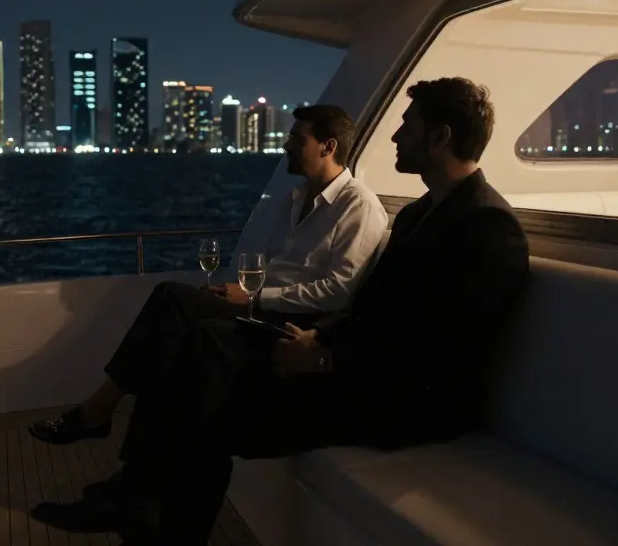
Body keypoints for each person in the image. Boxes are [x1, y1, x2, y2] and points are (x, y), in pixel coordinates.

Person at [30, 77, 531, 544]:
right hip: (356, 366)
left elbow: (441, 351)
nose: (396, 134)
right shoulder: (422, 212)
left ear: (440, 136)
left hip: (406, 404)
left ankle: (132, 498)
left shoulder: (487, 228)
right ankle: (137, 502)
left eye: (409, 124)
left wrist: (325, 356)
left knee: (208, 395)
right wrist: (323, 343)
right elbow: (372, 310)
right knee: (202, 360)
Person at [29, 104, 387, 446]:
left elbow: (338, 292)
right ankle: (130, 469)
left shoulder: (359, 206)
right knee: (173, 335)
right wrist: (238, 292)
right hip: (261, 308)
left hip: (294, 325)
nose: (286, 144)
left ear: (328, 146)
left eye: (297, 138)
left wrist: (254, 297)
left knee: (170, 299)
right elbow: (272, 265)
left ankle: (99, 411)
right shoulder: (294, 199)